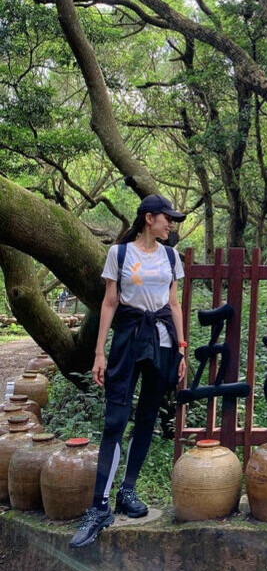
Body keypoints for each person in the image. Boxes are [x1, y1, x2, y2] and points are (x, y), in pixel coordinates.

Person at [70, 194, 188, 548]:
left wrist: (182, 349)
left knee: (148, 417)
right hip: (127, 340)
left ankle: (128, 491)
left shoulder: (171, 257)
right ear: (149, 218)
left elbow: (174, 304)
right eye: (167, 218)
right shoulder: (120, 254)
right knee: (115, 421)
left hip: (163, 342)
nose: (171, 224)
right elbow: (109, 302)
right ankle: (99, 507)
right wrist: (99, 352)